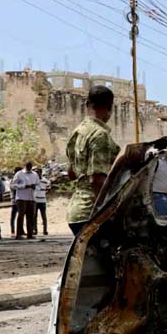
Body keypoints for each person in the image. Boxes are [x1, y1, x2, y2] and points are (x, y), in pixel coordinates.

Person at [66, 85, 119, 235]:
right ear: (109, 107)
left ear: (87, 104)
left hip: (76, 212)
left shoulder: (77, 132)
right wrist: (106, 213)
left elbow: (71, 173)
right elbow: (97, 180)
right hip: (91, 212)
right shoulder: (100, 135)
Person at [12, 161, 39, 240]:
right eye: (28, 166)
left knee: (30, 216)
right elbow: (13, 185)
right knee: (21, 215)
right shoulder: (19, 174)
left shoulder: (34, 174)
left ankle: (30, 234)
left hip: (31, 198)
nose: (29, 167)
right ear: (25, 166)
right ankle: (19, 234)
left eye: (30, 166)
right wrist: (24, 186)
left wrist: (34, 187)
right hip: (21, 198)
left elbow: (38, 184)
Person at [34, 167, 50, 236]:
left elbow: (48, 188)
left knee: (43, 216)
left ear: (41, 172)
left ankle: (45, 230)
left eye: (38, 172)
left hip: (42, 200)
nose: (37, 173)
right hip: (35, 200)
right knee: (34, 216)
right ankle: (35, 230)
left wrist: (43, 193)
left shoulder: (45, 181)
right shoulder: (34, 181)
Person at [8, 166, 22, 236]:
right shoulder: (13, 180)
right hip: (15, 200)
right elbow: (13, 189)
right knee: (14, 216)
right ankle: (13, 231)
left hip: (19, 200)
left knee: (20, 215)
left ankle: (20, 230)